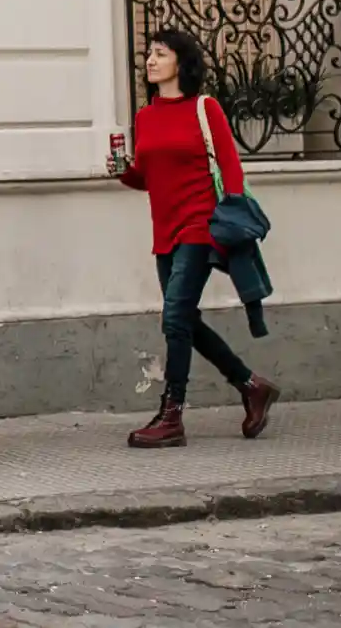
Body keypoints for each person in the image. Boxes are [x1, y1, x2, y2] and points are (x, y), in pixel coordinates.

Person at [110, 30, 279, 448]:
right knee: (184, 319)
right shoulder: (146, 117)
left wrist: (232, 219)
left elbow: (230, 167)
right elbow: (148, 177)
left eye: (160, 54)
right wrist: (122, 171)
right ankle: (251, 385)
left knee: (174, 318)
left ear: (181, 63)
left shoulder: (206, 108)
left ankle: (172, 416)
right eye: (149, 54)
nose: (151, 60)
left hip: (200, 227)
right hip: (165, 231)